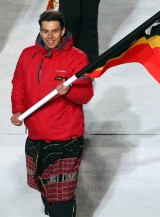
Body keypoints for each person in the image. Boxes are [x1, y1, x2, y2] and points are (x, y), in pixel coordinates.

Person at [10, 10, 94, 217]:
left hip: (66, 139)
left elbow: (86, 95)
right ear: (40, 30)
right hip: (37, 136)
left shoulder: (77, 58)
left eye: (55, 31)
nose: (50, 37)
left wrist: (70, 91)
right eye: (45, 31)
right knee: (46, 191)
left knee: (62, 201)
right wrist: (18, 110)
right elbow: (19, 85)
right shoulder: (27, 55)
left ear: (63, 31)